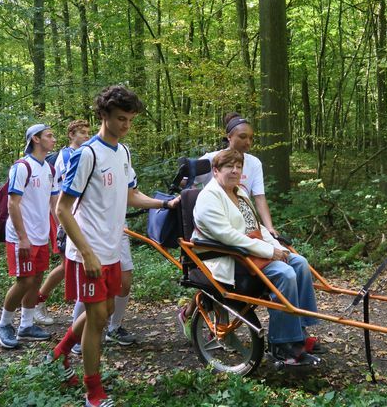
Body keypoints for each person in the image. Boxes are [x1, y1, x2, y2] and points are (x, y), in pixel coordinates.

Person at [46, 85, 179, 407]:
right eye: (121, 118)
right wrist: (87, 253)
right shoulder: (86, 154)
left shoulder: (124, 152)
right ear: (103, 115)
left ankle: (59, 352)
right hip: (86, 251)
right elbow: (62, 209)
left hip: (112, 247)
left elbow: (132, 194)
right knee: (97, 320)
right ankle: (93, 392)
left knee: (104, 312)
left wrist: (164, 205)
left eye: (131, 119)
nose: (126, 125)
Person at [191, 149, 320, 364]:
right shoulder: (209, 198)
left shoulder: (239, 192)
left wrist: (279, 248)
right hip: (228, 256)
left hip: (250, 251)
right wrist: (271, 252)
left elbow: (256, 228)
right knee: (285, 274)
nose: (235, 171)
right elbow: (230, 237)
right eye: (228, 167)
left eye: (238, 166)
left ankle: (300, 330)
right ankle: (282, 345)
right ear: (215, 171)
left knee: (300, 263)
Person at [177, 113, 280, 338]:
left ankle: (208, 321)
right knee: (218, 277)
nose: (248, 142)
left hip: (242, 223)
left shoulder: (253, 164)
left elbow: (259, 197)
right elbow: (190, 187)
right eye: (243, 137)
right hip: (217, 227)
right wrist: (183, 191)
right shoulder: (212, 159)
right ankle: (214, 326)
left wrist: (269, 228)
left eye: (251, 138)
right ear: (229, 136)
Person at [0, 124, 59, 349]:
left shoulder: (49, 169)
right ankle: (3, 324)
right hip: (22, 236)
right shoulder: (22, 167)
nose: (53, 139)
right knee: (25, 281)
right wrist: (22, 237)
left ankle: (27, 324)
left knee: (37, 279)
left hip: (40, 236)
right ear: (36, 139)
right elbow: (13, 203)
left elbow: (53, 202)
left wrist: (58, 229)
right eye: (49, 136)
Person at [34, 119, 91, 326]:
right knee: (68, 264)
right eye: (82, 132)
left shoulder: (85, 154)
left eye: (88, 132)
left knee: (71, 263)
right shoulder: (67, 156)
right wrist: (62, 223)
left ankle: (84, 307)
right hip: (63, 216)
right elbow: (62, 193)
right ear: (71, 135)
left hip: (77, 216)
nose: (86, 135)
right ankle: (38, 302)